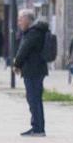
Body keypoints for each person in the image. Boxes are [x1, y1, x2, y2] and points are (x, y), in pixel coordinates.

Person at [11, 7, 53, 136]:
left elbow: (24, 50)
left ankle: (38, 128)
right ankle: (37, 126)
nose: (18, 23)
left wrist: (16, 64)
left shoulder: (33, 33)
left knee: (33, 99)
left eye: (20, 20)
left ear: (28, 20)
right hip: (36, 69)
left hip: (33, 70)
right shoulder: (36, 32)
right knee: (35, 99)